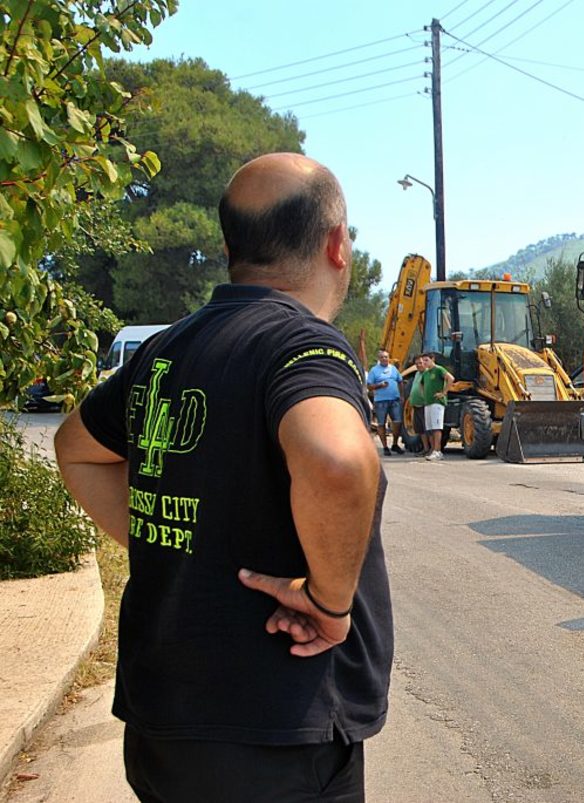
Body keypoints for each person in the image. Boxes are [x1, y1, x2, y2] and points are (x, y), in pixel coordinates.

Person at [54, 153, 393, 802]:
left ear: (231, 246)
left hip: (161, 729)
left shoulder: (166, 349)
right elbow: (339, 460)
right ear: (337, 245)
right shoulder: (302, 345)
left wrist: (175, 540)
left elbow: (76, 448)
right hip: (275, 739)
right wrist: (329, 603)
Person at [408, 352, 453, 461]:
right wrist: (424, 395)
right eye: (423, 361)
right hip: (428, 403)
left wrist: (444, 392)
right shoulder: (426, 373)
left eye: (426, 360)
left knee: (437, 428)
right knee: (430, 429)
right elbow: (421, 384)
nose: (424, 363)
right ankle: (432, 450)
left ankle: (438, 451)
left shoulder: (439, 369)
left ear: (432, 359)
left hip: (436, 403)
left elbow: (451, 378)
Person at [367, 348, 403, 454]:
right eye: (382, 357)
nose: (384, 359)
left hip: (394, 400)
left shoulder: (393, 369)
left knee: (398, 422)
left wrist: (402, 395)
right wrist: (379, 385)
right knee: (381, 424)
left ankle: (395, 444)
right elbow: (369, 386)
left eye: (386, 357)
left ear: (389, 358)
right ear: (379, 359)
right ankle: (385, 447)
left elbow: (400, 381)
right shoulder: (374, 370)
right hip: (381, 401)